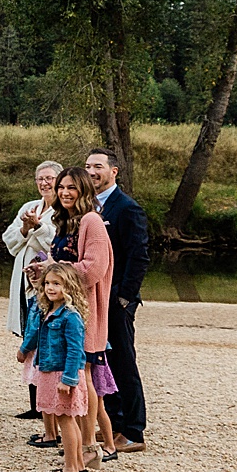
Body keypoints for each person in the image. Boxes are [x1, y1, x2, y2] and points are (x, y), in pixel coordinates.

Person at [54, 167, 118, 467]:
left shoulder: (92, 221)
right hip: (65, 309)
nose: (64, 193)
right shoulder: (67, 222)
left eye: (71, 188)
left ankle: (91, 446)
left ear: (83, 190)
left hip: (86, 312)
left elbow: (93, 269)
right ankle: (79, 444)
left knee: (85, 376)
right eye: (60, 187)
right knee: (75, 377)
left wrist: (57, 273)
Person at [87, 147, 150, 452]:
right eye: (87, 166)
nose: (91, 172)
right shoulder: (89, 208)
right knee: (102, 361)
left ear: (114, 171)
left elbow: (139, 256)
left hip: (116, 300)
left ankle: (135, 431)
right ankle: (113, 423)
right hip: (95, 298)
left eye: (97, 166)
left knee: (124, 362)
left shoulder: (127, 208)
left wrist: (124, 297)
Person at [19, 264, 90, 472]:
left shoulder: (70, 317)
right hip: (51, 370)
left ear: (69, 287)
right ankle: (77, 464)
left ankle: (70, 468)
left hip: (61, 374)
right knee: (67, 418)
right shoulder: (49, 311)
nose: (50, 288)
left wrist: (68, 380)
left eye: (57, 284)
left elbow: (75, 351)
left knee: (65, 420)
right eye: (48, 283)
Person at [0, 162, 61, 420]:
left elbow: (55, 242)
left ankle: (49, 403)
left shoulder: (63, 211)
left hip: (48, 280)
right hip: (24, 278)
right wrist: (27, 228)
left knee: (45, 338)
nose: (44, 183)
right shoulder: (29, 207)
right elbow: (10, 240)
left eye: (49, 178)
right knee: (29, 336)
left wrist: (37, 228)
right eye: (40, 179)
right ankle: (35, 403)